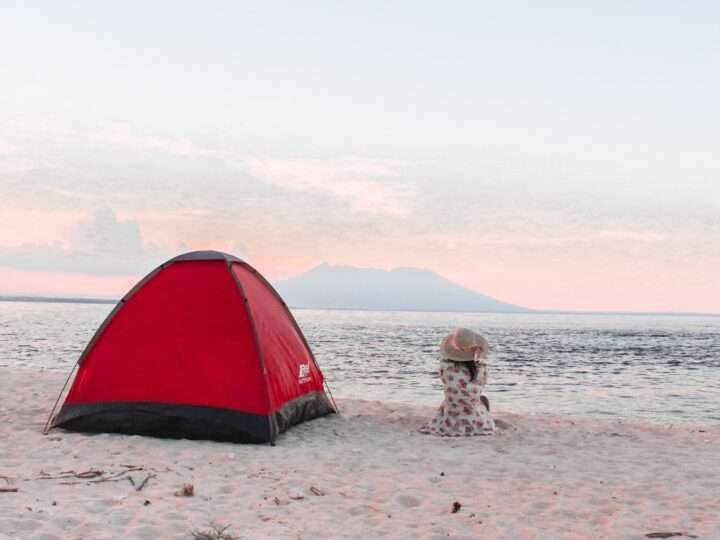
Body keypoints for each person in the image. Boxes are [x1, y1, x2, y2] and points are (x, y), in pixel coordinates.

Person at [419, 327, 495, 436]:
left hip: (450, 416)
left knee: (449, 399)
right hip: (475, 418)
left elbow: (446, 380)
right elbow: (481, 386)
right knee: (483, 399)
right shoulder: (481, 369)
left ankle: (451, 420)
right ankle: (483, 421)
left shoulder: (445, 368)